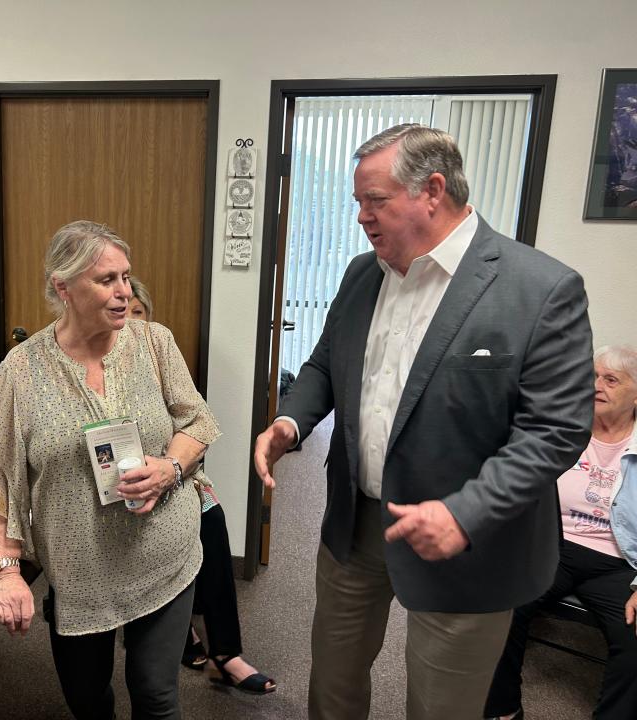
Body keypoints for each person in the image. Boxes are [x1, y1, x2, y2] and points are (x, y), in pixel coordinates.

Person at [253, 124, 594, 720]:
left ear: (433, 190)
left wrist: (467, 512)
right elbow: (327, 363)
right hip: (355, 522)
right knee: (332, 682)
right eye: (358, 202)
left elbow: (555, 430)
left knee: (442, 704)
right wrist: (291, 421)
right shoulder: (364, 274)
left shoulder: (539, 288)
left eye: (374, 201)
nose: (362, 216)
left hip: (468, 537)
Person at [0, 221, 221, 720]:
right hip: (79, 572)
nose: (124, 292)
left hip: (162, 551)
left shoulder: (154, 343)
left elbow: (197, 421)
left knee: (156, 694)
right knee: (88, 701)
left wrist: (170, 467)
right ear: (63, 287)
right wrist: (6, 573)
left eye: (126, 277)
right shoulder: (21, 370)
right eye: (106, 280)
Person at [128, 275, 275, 694]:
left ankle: (227, 654)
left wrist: (173, 466)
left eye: (141, 314)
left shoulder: (160, 357)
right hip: (126, 487)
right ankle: (186, 637)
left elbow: (196, 427)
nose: (133, 323)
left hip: (180, 477)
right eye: (128, 315)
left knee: (212, 520)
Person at [484, 345, 637, 720]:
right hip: (553, 546)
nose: (596, 386)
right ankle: (503, 709)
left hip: (620, 563)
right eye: (592, 376)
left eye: (611, 379)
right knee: (499, 602)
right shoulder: (562, 427)